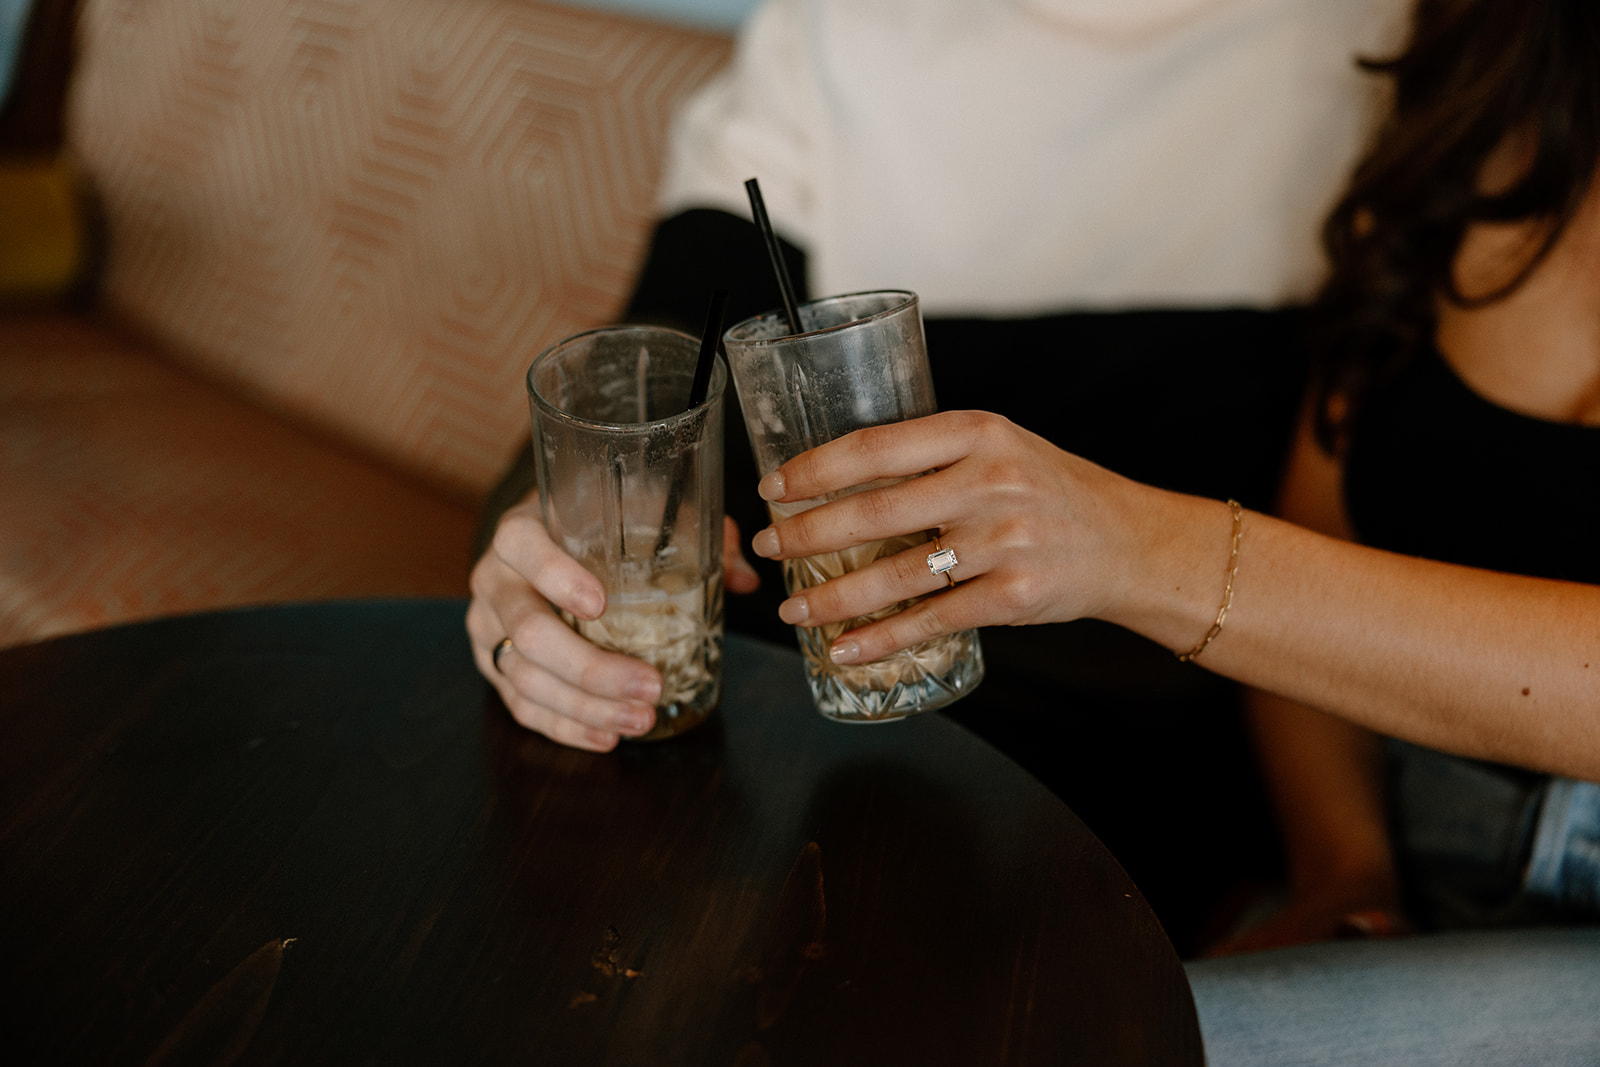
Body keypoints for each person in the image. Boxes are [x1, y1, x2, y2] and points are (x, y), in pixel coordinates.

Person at [740, 0, 1600, 1057]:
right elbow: (1325, 519)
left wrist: (1133, 545)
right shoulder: (1487, 84)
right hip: (1416, 861)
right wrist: (1344, 866)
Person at [468, 0, 1406, 955]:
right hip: (797, 715)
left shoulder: (1376, 44)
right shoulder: (837, 29)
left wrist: (1343, 865)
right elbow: (668, 357)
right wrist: (558, 546)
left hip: (1118, 767)